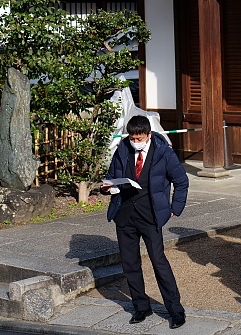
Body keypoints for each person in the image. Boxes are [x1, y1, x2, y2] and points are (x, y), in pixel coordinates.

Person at [101, 114, 188, 328]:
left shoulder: (164, 153)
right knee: (130, 263)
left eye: (139, 138)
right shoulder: (122, 149)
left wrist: (173, 209)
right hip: (125, 214)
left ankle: (175, 310)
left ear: (148, 135)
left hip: (151, 215)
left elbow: (182, 182)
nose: (135, 141)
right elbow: (112, 177)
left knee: (159, 261)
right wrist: (108, 187)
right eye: (132, 137)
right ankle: (141, 306)